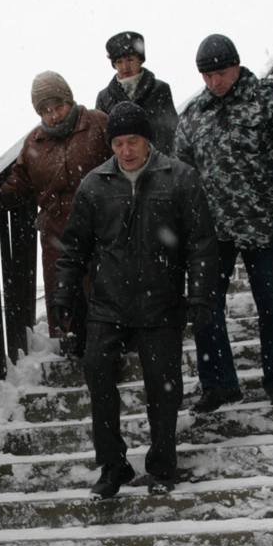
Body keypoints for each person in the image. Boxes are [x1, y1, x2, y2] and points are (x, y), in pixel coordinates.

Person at [50, 100, 219, 498]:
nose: (127, 151)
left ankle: (161, 464)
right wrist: (63, 292)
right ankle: (113, 465)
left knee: (164, 386)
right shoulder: (94, 185)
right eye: (119, 143)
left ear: (148, 140)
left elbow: (201, 243)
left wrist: (201, 295)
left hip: (161, 302)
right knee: (98, 376)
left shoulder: (179, 178)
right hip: (107, 304)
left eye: (134, 141)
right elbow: (73, 248)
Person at [174, 33, 273, 410]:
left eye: (221, 73)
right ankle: (219, 383)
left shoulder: (269, 98)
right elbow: (180, 174)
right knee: (205, 306)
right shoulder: (195, 114)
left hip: (268, 222)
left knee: (272, 306)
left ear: (237, 65)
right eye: (207, 76)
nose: (214, 82)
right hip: (214, 230)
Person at [0, 71, 109, 355]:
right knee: (68, 297)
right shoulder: (35, 142)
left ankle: (110, 341)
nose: (53, 115)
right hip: (58, 233)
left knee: (105, 291)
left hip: (101, 228)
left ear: (69, 100)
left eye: (58, 106)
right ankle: (77, 346)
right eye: (45, 110)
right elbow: (19, 183)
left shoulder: (97, 123)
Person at [95, 30, 179, 152]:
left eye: (130, 60)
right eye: (119, 62)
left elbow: (172, 132)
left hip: (158, 163)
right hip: (123, 165)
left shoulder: (160, 89)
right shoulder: (104, 98)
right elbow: (104, 141)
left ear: (140, 60)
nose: (125, 67)